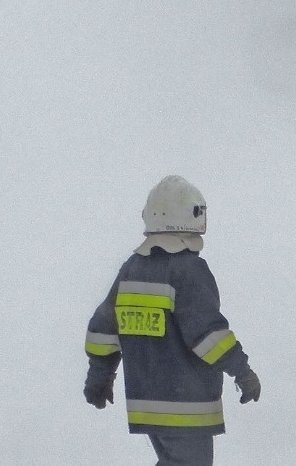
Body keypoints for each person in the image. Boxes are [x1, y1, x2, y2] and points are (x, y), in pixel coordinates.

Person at [84, 175, 260, 466]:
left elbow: (103, 330)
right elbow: (208, 335)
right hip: (186, 406)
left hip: (146, 404)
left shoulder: (131, 269)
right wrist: (242, 371)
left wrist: (99, 377)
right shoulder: (188, 270)